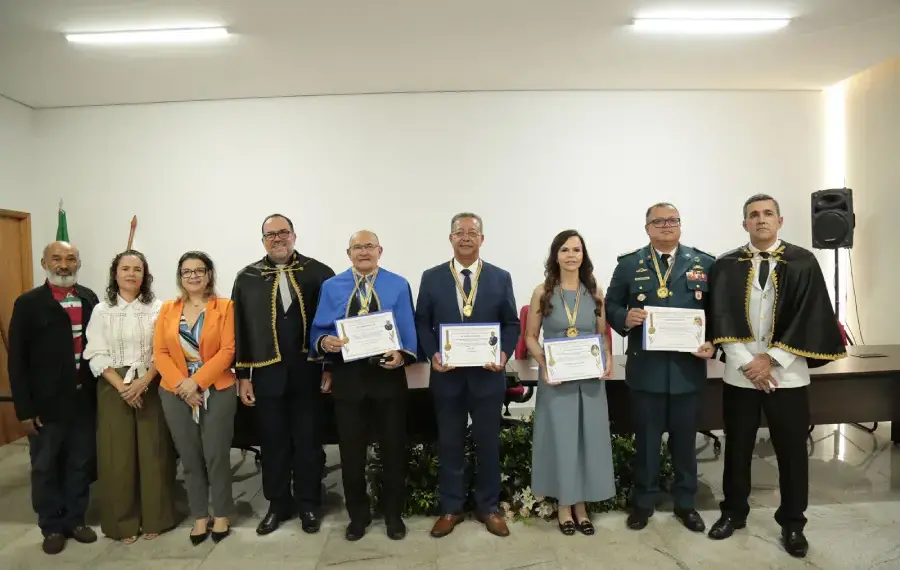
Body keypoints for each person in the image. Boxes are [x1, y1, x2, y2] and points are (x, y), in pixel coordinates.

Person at [707, 194, 847, 558]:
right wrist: (747, 363)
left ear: (780, 221)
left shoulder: (803, 263)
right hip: (741, 376)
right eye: (753, 215)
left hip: (788, 377)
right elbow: (720, 319)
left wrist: (772, 360)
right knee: (737, 447)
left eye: (768, 213)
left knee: (791, 451)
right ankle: (734, 513)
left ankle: (793, 523)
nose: (761, 220)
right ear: (744, 224)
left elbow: (810, 319)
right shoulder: (726, 265)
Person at [605, 203, 715, 532]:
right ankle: (643, 502)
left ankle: (685, 504)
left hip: (686, 370)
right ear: (647, 228)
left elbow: (718, 312)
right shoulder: (629, 265)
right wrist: (624, 317)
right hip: (647, 371)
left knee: (685, 444)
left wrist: (714, 343)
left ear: (680, 226)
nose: (666, 226)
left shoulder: (704, 263)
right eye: (659, 221)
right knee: (647, 444)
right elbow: (610, 304)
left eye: (673, 221)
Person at [414, 212, 520, 538]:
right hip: (448, 376)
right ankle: (451, 507)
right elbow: (421, 322)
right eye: (459, 232)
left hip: (487, 376)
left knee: (488, 442)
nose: (465, 238)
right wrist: (433, 354)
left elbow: (511, 324)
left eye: (472, 233)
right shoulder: (431, 277)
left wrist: (503, 354)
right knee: (449, 443)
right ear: (450, 238)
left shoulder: (500, 277)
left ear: (482, 239)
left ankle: (488, 507)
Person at [309, 230, 417, 541]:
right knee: (351, 452)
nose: (364, 252)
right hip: (349, 380)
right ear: (349, 253)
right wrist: (325, 341)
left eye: (369, 246)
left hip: (388, 378)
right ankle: (358, 515)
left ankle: (393, 514)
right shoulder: (332, 287)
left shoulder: (398, 284)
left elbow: (407, 326)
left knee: (394, 449)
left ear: (380, 250)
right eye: (358, 247)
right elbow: (319, 330)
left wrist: (402, 354)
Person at [232, 214, 335, 535]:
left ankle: (308, 504)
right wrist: (243, 375)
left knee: (308, 442)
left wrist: (330, 366)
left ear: (293, 235)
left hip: (309, 373)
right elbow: (241, 330)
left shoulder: (319, 273)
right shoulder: (247, 277)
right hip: (266, 375)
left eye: (283, 233)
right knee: (273, 443)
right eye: (270, 234)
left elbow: (334, 324)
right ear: (262, 240)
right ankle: (278, 504)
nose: (277, 239)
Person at [7, 241, 99, 555]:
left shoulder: (89, 299)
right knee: (44, 466)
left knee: (80, 462)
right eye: (57, 259)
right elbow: (16, 360)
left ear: (79, 262)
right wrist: (24, 409)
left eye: (70, 259)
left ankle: (76, 520)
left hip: (83, 400)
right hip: (45, 405)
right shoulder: (29, 303)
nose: (63, 265)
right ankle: (51, 525)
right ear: (44, 262)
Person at [525, 230, 615, 536]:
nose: (571, 255)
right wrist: (545, 365)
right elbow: (530, 338)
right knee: (563, 440)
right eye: (565, 249)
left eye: (577, 249)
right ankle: (565, 505)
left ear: (583, 255)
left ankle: (582, 506)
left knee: (588, 439)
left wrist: (608, 360)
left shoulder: (594, 291)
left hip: (589, 378)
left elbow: (602, 334)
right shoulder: (542, 292)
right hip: (557, 378)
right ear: (555, 255)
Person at [83, 250, 176, 543]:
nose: (131, 274)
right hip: (113, 385)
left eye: (138, 269)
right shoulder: (101, 309)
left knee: (154, 452)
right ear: (115, 273)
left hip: (151, 380)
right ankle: (121, 522)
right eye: (125, 268)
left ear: (145, 275)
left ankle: (156, 518)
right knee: (117, 455)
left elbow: (165, 350)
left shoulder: (159, 308)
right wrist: (123, 387)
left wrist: (144, 381)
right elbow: (95, 352)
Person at [155, 251, 237, 545]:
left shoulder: (225, 306)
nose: (192, 276)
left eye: (198, 270)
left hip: (217, 389)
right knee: (189, 457)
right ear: (180, 276)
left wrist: (197, 382)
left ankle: (223, 513)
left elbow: (228, 351)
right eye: (186, 271)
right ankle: (200, 515)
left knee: (216, 456)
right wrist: (183, 386)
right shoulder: (167, 309)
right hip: (175, 392)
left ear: (209, 274)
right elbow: (160, 353)